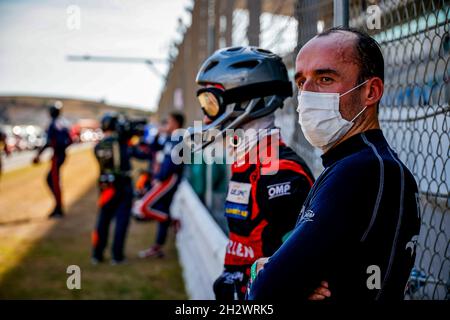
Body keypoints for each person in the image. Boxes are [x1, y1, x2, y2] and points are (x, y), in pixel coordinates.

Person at [248, 27, 421, 301]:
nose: (306, 94)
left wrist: (262, 272)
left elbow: (264, 292)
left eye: (325, 78)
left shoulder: (362, 169)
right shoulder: (350, 163)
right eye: (302, 81)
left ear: (371, 91)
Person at [192, 46, 315, 300]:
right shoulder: (247, 162)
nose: (205, 118)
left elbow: (304, 271)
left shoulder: (282, 173)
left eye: (210, 103)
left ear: (246, 101)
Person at [132, 112, 185, 259]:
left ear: (175, 123)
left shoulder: (179, 138)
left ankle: (171, 220)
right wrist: (156, 134)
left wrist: (159, 177)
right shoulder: (170, 138)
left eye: (167, 122)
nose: (164, 125)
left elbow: (173, 163)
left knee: (143, 207)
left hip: (169, 178)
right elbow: (154, 148)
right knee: (162, 209)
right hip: (163, 177)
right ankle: (157, 247)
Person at [91, 112, 133, 265]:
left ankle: (97, 254)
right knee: (121, 221)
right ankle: (117, 256)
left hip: (105, 186)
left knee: (103, 220)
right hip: (122, 185)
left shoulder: (97, 146)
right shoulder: (121, 143)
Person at [33, 101, 72, 218]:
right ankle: (58, 206)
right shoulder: (64, 123)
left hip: (57, 156)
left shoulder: (54, 124)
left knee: (53, 181)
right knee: (53, 180)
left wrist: (39, 154)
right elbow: (70, 140)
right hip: (62, 155)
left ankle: (59, 208)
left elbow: (49, 142)